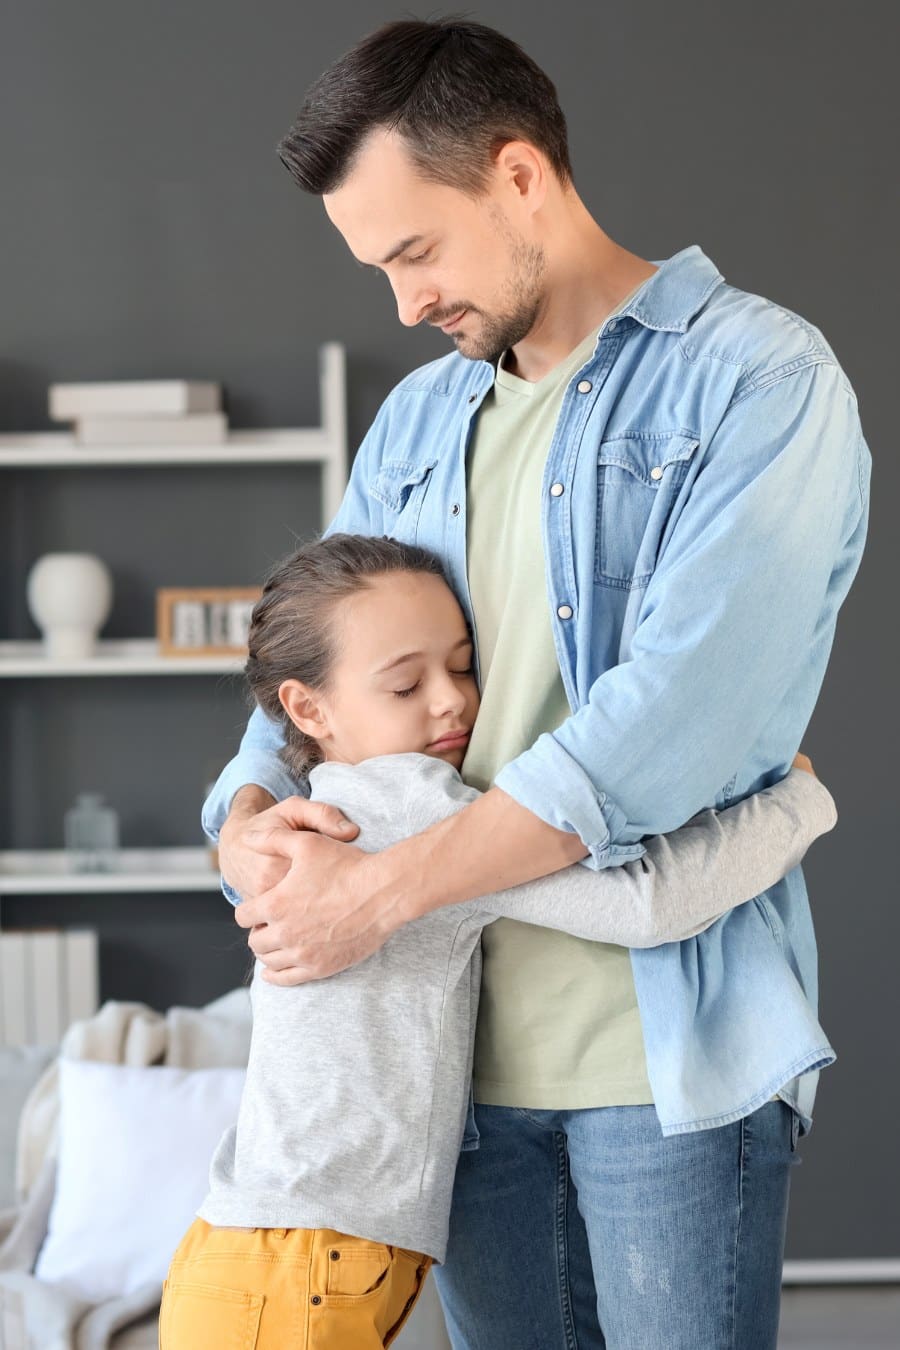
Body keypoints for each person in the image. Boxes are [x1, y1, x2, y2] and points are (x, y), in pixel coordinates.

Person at [203, 19, 872, 1349]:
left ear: (519, 177)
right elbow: (306, 678)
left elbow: (666, 727)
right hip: (450, 1074)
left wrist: (372, 893)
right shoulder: (415, 421)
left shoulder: (758, 379)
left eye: (415, 251)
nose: (403, 303)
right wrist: (245, 823)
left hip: (663, 1061)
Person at [163, 533, 836, 1350]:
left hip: (250, 1257)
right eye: (406, 684)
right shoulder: (405, 806)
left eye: (462, 667)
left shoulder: (314, 810)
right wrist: (798, 806)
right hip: (302, 1270)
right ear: (307, 710)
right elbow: (647, 906)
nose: (450, 702)